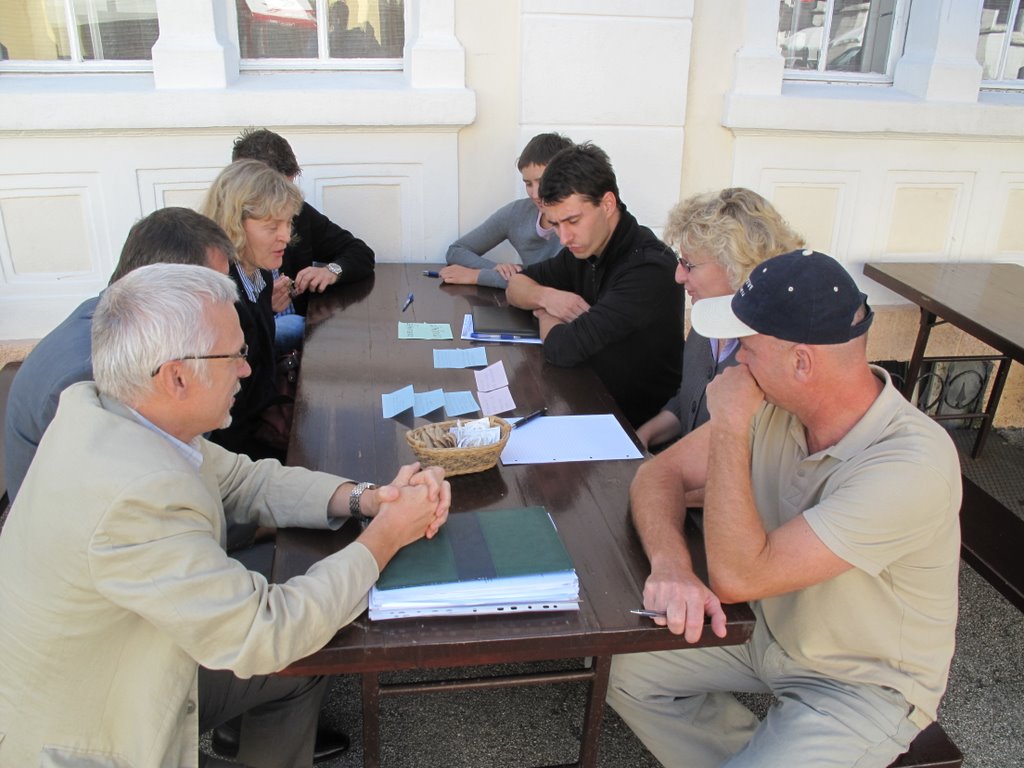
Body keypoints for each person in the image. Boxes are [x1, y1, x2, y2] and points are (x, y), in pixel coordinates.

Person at [0, 263, 450, 768]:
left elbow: (242, 479)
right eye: (234, 355)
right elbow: (267, 630)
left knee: (307, 651)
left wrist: (367, 499)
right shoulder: (134, 496)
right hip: (92, 730)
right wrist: (386, 536)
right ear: (176, 376)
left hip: (115, 659)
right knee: (298, 639)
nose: (247, 369)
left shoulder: (114, 411)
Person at [606, 250, 962, 768]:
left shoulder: (911, 465)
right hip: (769, 633)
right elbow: (658, 474)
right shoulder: (778, 405)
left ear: (801, 362)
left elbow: (737, 578)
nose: (735, 362)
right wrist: (672, 567)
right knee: (622, 673)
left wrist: (730, 427)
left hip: (861, 683)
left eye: (746, 347)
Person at [3, 206, 233, 505]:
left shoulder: (108, 314)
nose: (227, 301)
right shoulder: (94, 371)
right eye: (214, 289)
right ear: (163, 286)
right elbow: (146, 492)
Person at [506, 142, 683, 428]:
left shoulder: (650, 268)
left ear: (608, 204)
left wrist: (546, 315)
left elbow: (563, 348)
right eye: (556, 224)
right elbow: (515, 285)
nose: (564, 238)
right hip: (584, 400)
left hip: (635, 427)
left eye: (573, 221)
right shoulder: (586, 248)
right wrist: (546, 297)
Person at [635, 188, 805, 451]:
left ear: (736, 265)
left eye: (689, 264)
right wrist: (642, 436)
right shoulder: (707, 320)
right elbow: (687, 401)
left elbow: (752, 458)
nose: (678, 276)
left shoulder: (768, 353)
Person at [231, 128, 375, 352]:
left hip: (294, 346)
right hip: (253, 351)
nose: (285, 236)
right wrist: (264, 309)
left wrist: (332, 270)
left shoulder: (297, 213)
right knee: (298, 326)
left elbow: (360, 252)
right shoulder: (214, 245)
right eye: (275, 191)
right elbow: (223, 340)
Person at [200, 159, 303, 460]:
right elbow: (229, 410)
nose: (286, 236)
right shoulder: (220, 295)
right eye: (272, 227)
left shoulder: (259, 272)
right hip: (235, 447)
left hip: (259, 418)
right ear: (234, 224)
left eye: (288, 223)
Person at [441, 132, 574, 289]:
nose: (535, 194)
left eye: (542, 182)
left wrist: (478, 276)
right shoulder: (517, 213)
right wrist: (497, 269)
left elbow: (560, 283)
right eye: (528, 184)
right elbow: (456, 251)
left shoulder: (579, 222)